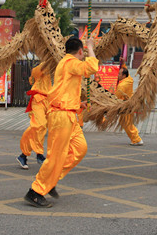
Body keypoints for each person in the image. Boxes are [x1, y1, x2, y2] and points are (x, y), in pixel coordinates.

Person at [24, 37, 98, 208]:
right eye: (83, 51)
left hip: (69, 114)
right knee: (55, 156)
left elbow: (63, 90)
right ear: (80, 51)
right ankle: (35, 191)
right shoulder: (70, 62)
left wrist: (79, 103)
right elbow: (92, 68)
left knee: (80, 149)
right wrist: (91, 47)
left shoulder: (66, 64)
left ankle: (51, 179)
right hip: (61, 116)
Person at [18, 63, 51, 169]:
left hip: (49, 101)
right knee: (40, 125)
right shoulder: (38, 69)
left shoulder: (55, 67)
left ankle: (23, 155)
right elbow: (36, 73)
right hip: (38, 100)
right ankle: (39, 154)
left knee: (38, 129)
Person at [115, 66, 143, 146]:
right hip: (130, 105)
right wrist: (123, 63)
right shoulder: (129, 80)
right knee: (126, 122)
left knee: (127, 123)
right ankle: (135, 137)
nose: (118, 75)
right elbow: (128, 73)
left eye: (119, 74)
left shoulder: (122, 86)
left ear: (124, 75)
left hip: (126, 106)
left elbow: (117, 97)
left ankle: (137, 139)